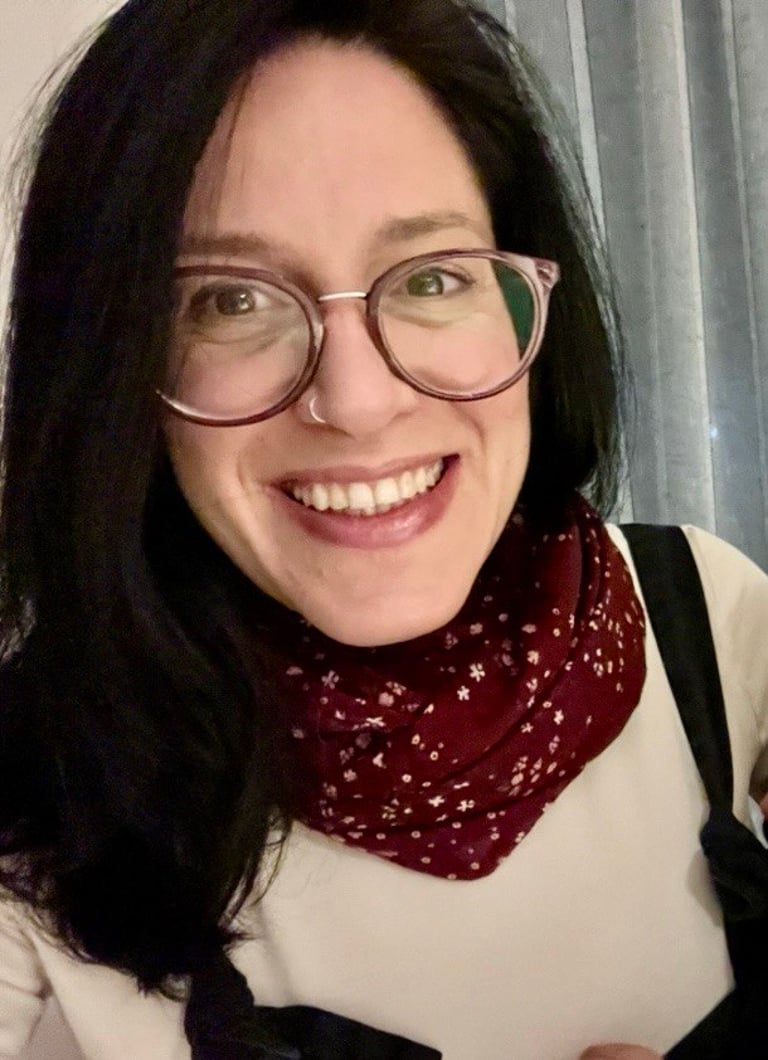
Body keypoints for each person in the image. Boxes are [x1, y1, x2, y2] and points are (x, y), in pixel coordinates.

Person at [0, 0, 766, 1057]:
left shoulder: (710, 624)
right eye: (229, 302)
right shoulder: (40, 785)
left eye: (435, 276)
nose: (357, 402)